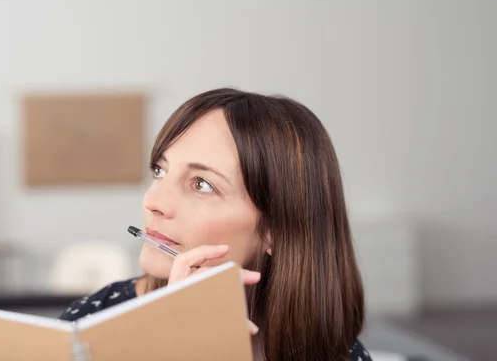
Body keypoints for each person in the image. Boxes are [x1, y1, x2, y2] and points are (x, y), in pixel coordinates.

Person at [60, 88, 372, 361]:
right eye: (159, 170)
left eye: (201, 184)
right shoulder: (88, 326)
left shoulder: (341, 354)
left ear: (275, 227)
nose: (153, 200)